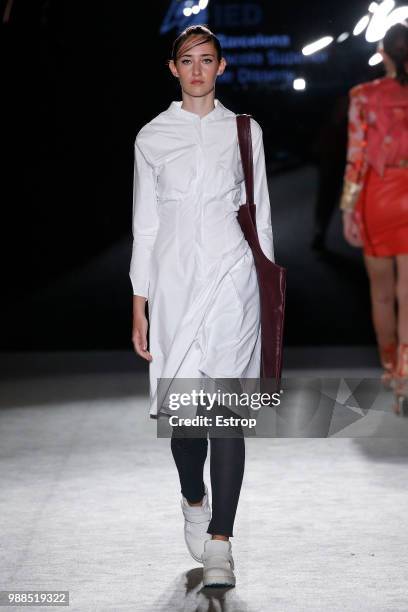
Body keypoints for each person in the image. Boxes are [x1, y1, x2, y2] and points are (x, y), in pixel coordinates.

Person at [129, 25, 274, 586]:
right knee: (186, 422)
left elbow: (260, 215)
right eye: (186, 60)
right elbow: (145, 225)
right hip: (172, 285)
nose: (196, 69)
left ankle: (221, 543)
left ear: (221, 66)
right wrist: (139, 299)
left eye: (206, 59)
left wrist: (266, 287)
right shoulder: (151, 137)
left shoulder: (245, 131)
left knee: (225, 414)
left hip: (233, 279)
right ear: (173, 69)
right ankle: (194, 498)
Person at [340, 22, 408, 415]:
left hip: (379, 196)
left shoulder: (363, 96)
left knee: (382, 293)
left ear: (384, 53)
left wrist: (348, 208)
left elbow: (356, 157)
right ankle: (406, 373)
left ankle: (392, 372)